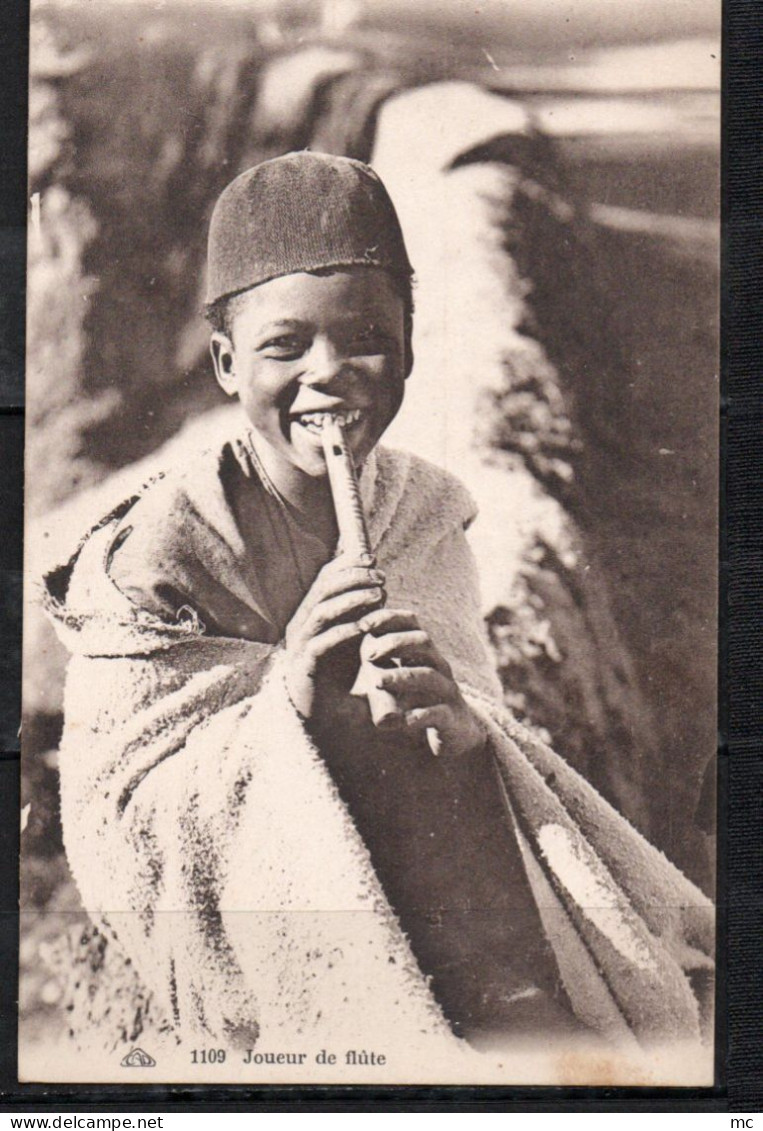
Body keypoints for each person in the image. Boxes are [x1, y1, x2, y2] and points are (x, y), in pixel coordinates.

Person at [45, 152, 713, 1057]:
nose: (329, 373)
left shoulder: (418, 512)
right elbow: (122, 824)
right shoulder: (160, 554)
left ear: (408, 342)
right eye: (285, 346)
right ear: (226, 363)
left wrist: (461, 728)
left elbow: (483, 731)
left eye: (363, 336)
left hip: (448, 906)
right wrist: (292, 708)